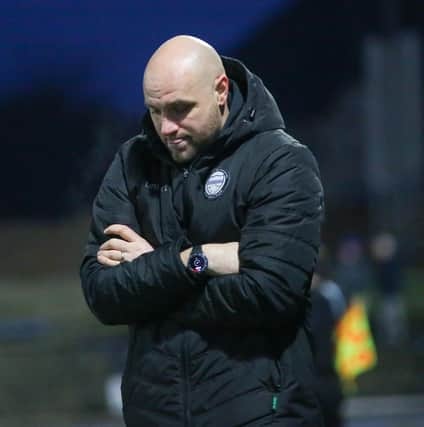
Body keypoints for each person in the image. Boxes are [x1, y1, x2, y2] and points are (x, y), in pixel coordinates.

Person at [80, 35, 325, 427]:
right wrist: (198, 260)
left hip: (260, 415)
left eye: (180, 110)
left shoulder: (281, 162)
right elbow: (102, 294)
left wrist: (153, 278)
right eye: (155, 112)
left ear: (221, 91)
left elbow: (272, 292)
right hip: (154, 416)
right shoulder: (132, 163)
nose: (166, 127)